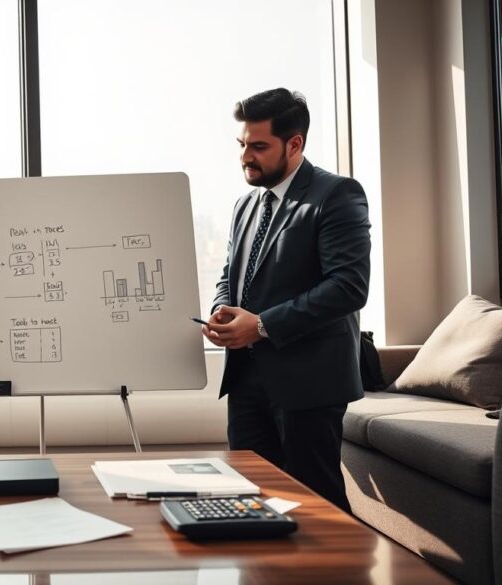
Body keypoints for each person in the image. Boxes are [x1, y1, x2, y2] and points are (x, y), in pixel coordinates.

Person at [202, 88, 370, 513]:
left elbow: (349, 286)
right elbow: (230, 274)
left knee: (316, 507)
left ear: (294, 144)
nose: (245, 156)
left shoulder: (337, 194)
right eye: (242, 144)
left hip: (308, 381)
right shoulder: (245, 205)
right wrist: (223, 310)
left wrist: (260, 325)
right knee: (250, 503)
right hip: (245, 381)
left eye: (258, 146)